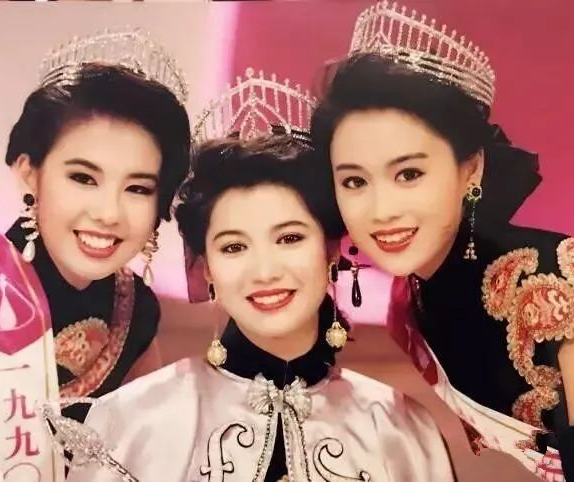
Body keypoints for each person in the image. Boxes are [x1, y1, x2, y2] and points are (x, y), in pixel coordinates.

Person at [45, 70, 455, 482]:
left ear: (331, 249)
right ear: (207, 269)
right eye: (233, 247)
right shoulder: (133, 422)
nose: (265, 271)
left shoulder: (401, 431)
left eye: (289, 238)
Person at [310, 2, 574, 481]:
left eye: (409, 174)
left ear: (470, 169)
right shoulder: (416, 297)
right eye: (354, 181)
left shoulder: (559, 279)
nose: (381, 210)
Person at [0, 28, 190, 481]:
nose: (109, 213)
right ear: (29, 173)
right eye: (83, 178)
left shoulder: (135, 313)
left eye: (137, 188)